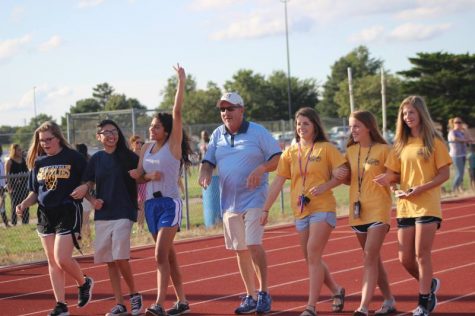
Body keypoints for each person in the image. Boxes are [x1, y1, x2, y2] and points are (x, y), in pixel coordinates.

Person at [198, 92, 281, 315]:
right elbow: (208, 161)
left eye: (230, 108)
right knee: (240, 250)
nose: (226, 113)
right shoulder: (217, 134)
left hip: (255, 197)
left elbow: (277, 158)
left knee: (253, 244)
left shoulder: (258, 132)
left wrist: (261, 168)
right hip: (229, 202)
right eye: (222, 109)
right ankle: (250, 296)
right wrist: (204, 173)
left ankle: (264, 293)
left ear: (241, 110)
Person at [260, 107, 346, 316]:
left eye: (305, 123)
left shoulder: (326, 148)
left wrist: (327, 184)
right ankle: (336, 290)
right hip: (300, 210)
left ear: (315, 125)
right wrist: (265, 209)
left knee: (313, 253)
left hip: (322, 208)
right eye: (298, 123)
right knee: (310, 257)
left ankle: (311, 307)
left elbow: (343, 173)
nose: (301, 127)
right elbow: (278, 182)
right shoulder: (290, 152)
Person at [374, 96, 452, 316]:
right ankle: (429, 285)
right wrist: (389, 182)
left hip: (427, 205)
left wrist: (422, 188)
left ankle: (423, 303)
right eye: (404, 114)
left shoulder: (434, 142)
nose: (407, 117)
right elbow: (395, 174)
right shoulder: (400, 144)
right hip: (405, 205)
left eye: (411, 113)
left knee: (421, 254)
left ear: (421, 114)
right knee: (404, 258)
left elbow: (444, 173)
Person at [129, 64, 193, 316]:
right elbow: (137, 178)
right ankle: (183, 301)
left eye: (156, 126)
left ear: (166, 130)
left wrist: (181, 82)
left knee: (158, 256)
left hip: (169, 203)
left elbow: (177, 112)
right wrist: (146, 176)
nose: (151, 129)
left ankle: (158, 304)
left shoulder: (173, 146)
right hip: (151, 206)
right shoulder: (145, 149)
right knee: (169, 257)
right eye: (150, 126)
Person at [16, 121, 93, 316]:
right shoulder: (39, 162)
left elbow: (90, 178)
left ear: (58, 137)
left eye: (49, 139)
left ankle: (84, 283)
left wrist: (85, 187)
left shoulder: (73, 157)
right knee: (52, 261)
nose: (45, 143)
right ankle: (61, 305)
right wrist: (24, 204)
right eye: (42, 141)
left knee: (62, 258)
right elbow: (35, 192)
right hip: (45, 214)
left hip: (67, 210)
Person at [78, 120, 143, 316]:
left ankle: (134, 295)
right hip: (103, 214)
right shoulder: (96, 159)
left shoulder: (129, 156)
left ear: (118, 134)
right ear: (99, 137)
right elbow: (86, 184)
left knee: (120, 256)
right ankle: (120, 304)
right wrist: (92, 199)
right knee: (110, 261)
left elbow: (142, 176)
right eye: (105, 132)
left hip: (124, 211)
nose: (110, 135)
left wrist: (141, 176)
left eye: (113, 131)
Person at [344, 111, 395, 316]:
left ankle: (363, 306)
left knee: (368, 257)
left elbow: (397, 175)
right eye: (350, 126)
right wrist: (339, 175)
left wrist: (389, 177)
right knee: (373, 259)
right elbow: (349, 178)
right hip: (357, 211)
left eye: (356, 126)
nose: (352, 130)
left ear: (368, 127)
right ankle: (389, 299)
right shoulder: (350, 150)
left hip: (378, 208)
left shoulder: (384, 149)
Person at [5, 143, 29, 225]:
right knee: (14, 204)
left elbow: (27, 171)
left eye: (21, 149)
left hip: (24, 186)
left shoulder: (23, 160)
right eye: (18, 150)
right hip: (14, 187)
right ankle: (14, 223)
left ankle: (25, 222)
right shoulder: (9, 161)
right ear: (14, 151)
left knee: (25, 203)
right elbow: (7, 176)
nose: (20, 151)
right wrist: (9, 187)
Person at [447, 117, 472, 193]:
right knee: (459, 172)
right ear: (453, 123)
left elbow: (469, 139)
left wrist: (465, 130)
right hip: (456, 155)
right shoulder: (452, 132)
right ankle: (454, 188)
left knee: (462, 173)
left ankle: (459, 188)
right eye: (457, 122)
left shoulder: (461, 132)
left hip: (463, 154)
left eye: (460, 122)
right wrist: (465, 140)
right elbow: (455, 139)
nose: (459, 124)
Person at [75, 143, 93, 243]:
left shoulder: (82, 162)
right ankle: (85, 239)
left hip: (83, 194)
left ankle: (86, 239)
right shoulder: (89, 160)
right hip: (86, 194)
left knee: (83, 220)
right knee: (84, 220)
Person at [129, 135, 146, 232]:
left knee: (141, 204)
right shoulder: (130, 156)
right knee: (133, 205)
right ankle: (134, 227)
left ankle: (140, 228)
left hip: (142, 182)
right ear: (132, 144)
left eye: (141, 143)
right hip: (132, 183)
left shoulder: (144, 155)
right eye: (137, 142)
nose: (140, 145)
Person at [0, 144, 10, 227]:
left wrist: (5, 185)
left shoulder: (1, 161)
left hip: (1, 187)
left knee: (2, 206)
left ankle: (6, 223)